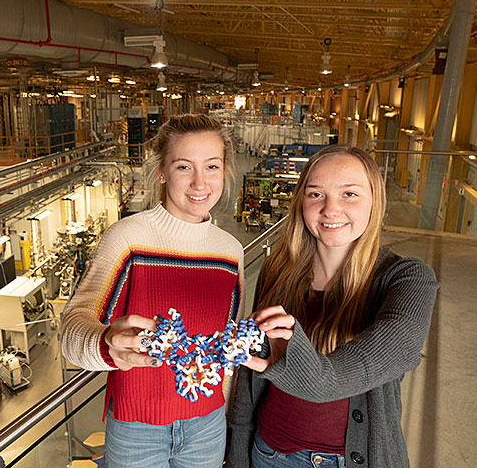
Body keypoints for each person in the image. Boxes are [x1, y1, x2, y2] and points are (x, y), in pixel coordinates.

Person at [228, 145, 440, 468]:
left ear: (375, 202)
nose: (330, 209)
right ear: (301, 202)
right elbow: (251, 379)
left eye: (349, 194)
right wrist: (238, 452)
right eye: (316, 194)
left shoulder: (408, 280)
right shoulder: (276, 270)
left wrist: (293, 351)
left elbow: (336, 378)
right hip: (267, 452)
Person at [61, 113, 244, 468]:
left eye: (211, 167)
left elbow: (225, 351)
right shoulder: (128, 239)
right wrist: (107, 346)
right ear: (161, 171)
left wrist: (225, 410)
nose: (199, 183)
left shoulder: (230, 253)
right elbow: (72, 329)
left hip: (207, 426)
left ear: (224, 171)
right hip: (136, 428)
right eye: (183, 167)